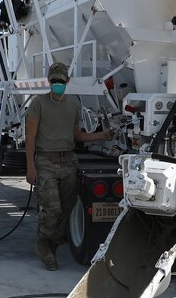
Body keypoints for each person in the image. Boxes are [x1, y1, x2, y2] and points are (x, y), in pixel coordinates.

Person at [25, 62, 113, 270]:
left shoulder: (73, 105)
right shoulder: (38, 104)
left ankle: (52, 244)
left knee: (67, 207)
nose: (57, 84)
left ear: (67, 82)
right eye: (54, 81)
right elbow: (30, 138)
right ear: (49, 81)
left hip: (68, 161)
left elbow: (77, 135)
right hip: (46, 161)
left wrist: (101, 135)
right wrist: (30, 167)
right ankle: (43, 244)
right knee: (52, 208)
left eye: (61, 81)